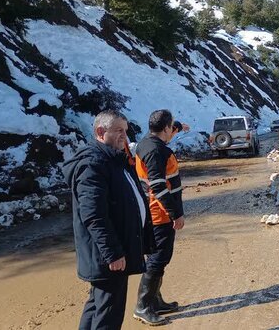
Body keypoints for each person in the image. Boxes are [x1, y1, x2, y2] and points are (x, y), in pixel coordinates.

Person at [62, 110, 154, 330]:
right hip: (108, 256)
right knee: (109, 315)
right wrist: (113, 252)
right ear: (100, 132)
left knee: (97, 305)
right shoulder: (93, 164)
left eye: (126, 130)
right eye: (118, 131)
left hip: (112, 252)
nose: (125, 135)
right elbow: (93, 214)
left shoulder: (114, 158)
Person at [133, 110, 186, 325]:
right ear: (164, 128)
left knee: (159, 257)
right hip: (159, 214)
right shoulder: (155, 151)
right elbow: (157, 186)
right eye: (171, 126)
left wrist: (180, 127)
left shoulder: (147, 142)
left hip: (155, 212)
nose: (172, 129)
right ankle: (143, 306)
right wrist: (176, 214)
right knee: (158, 259)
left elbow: (168, 133)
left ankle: (156, 301)